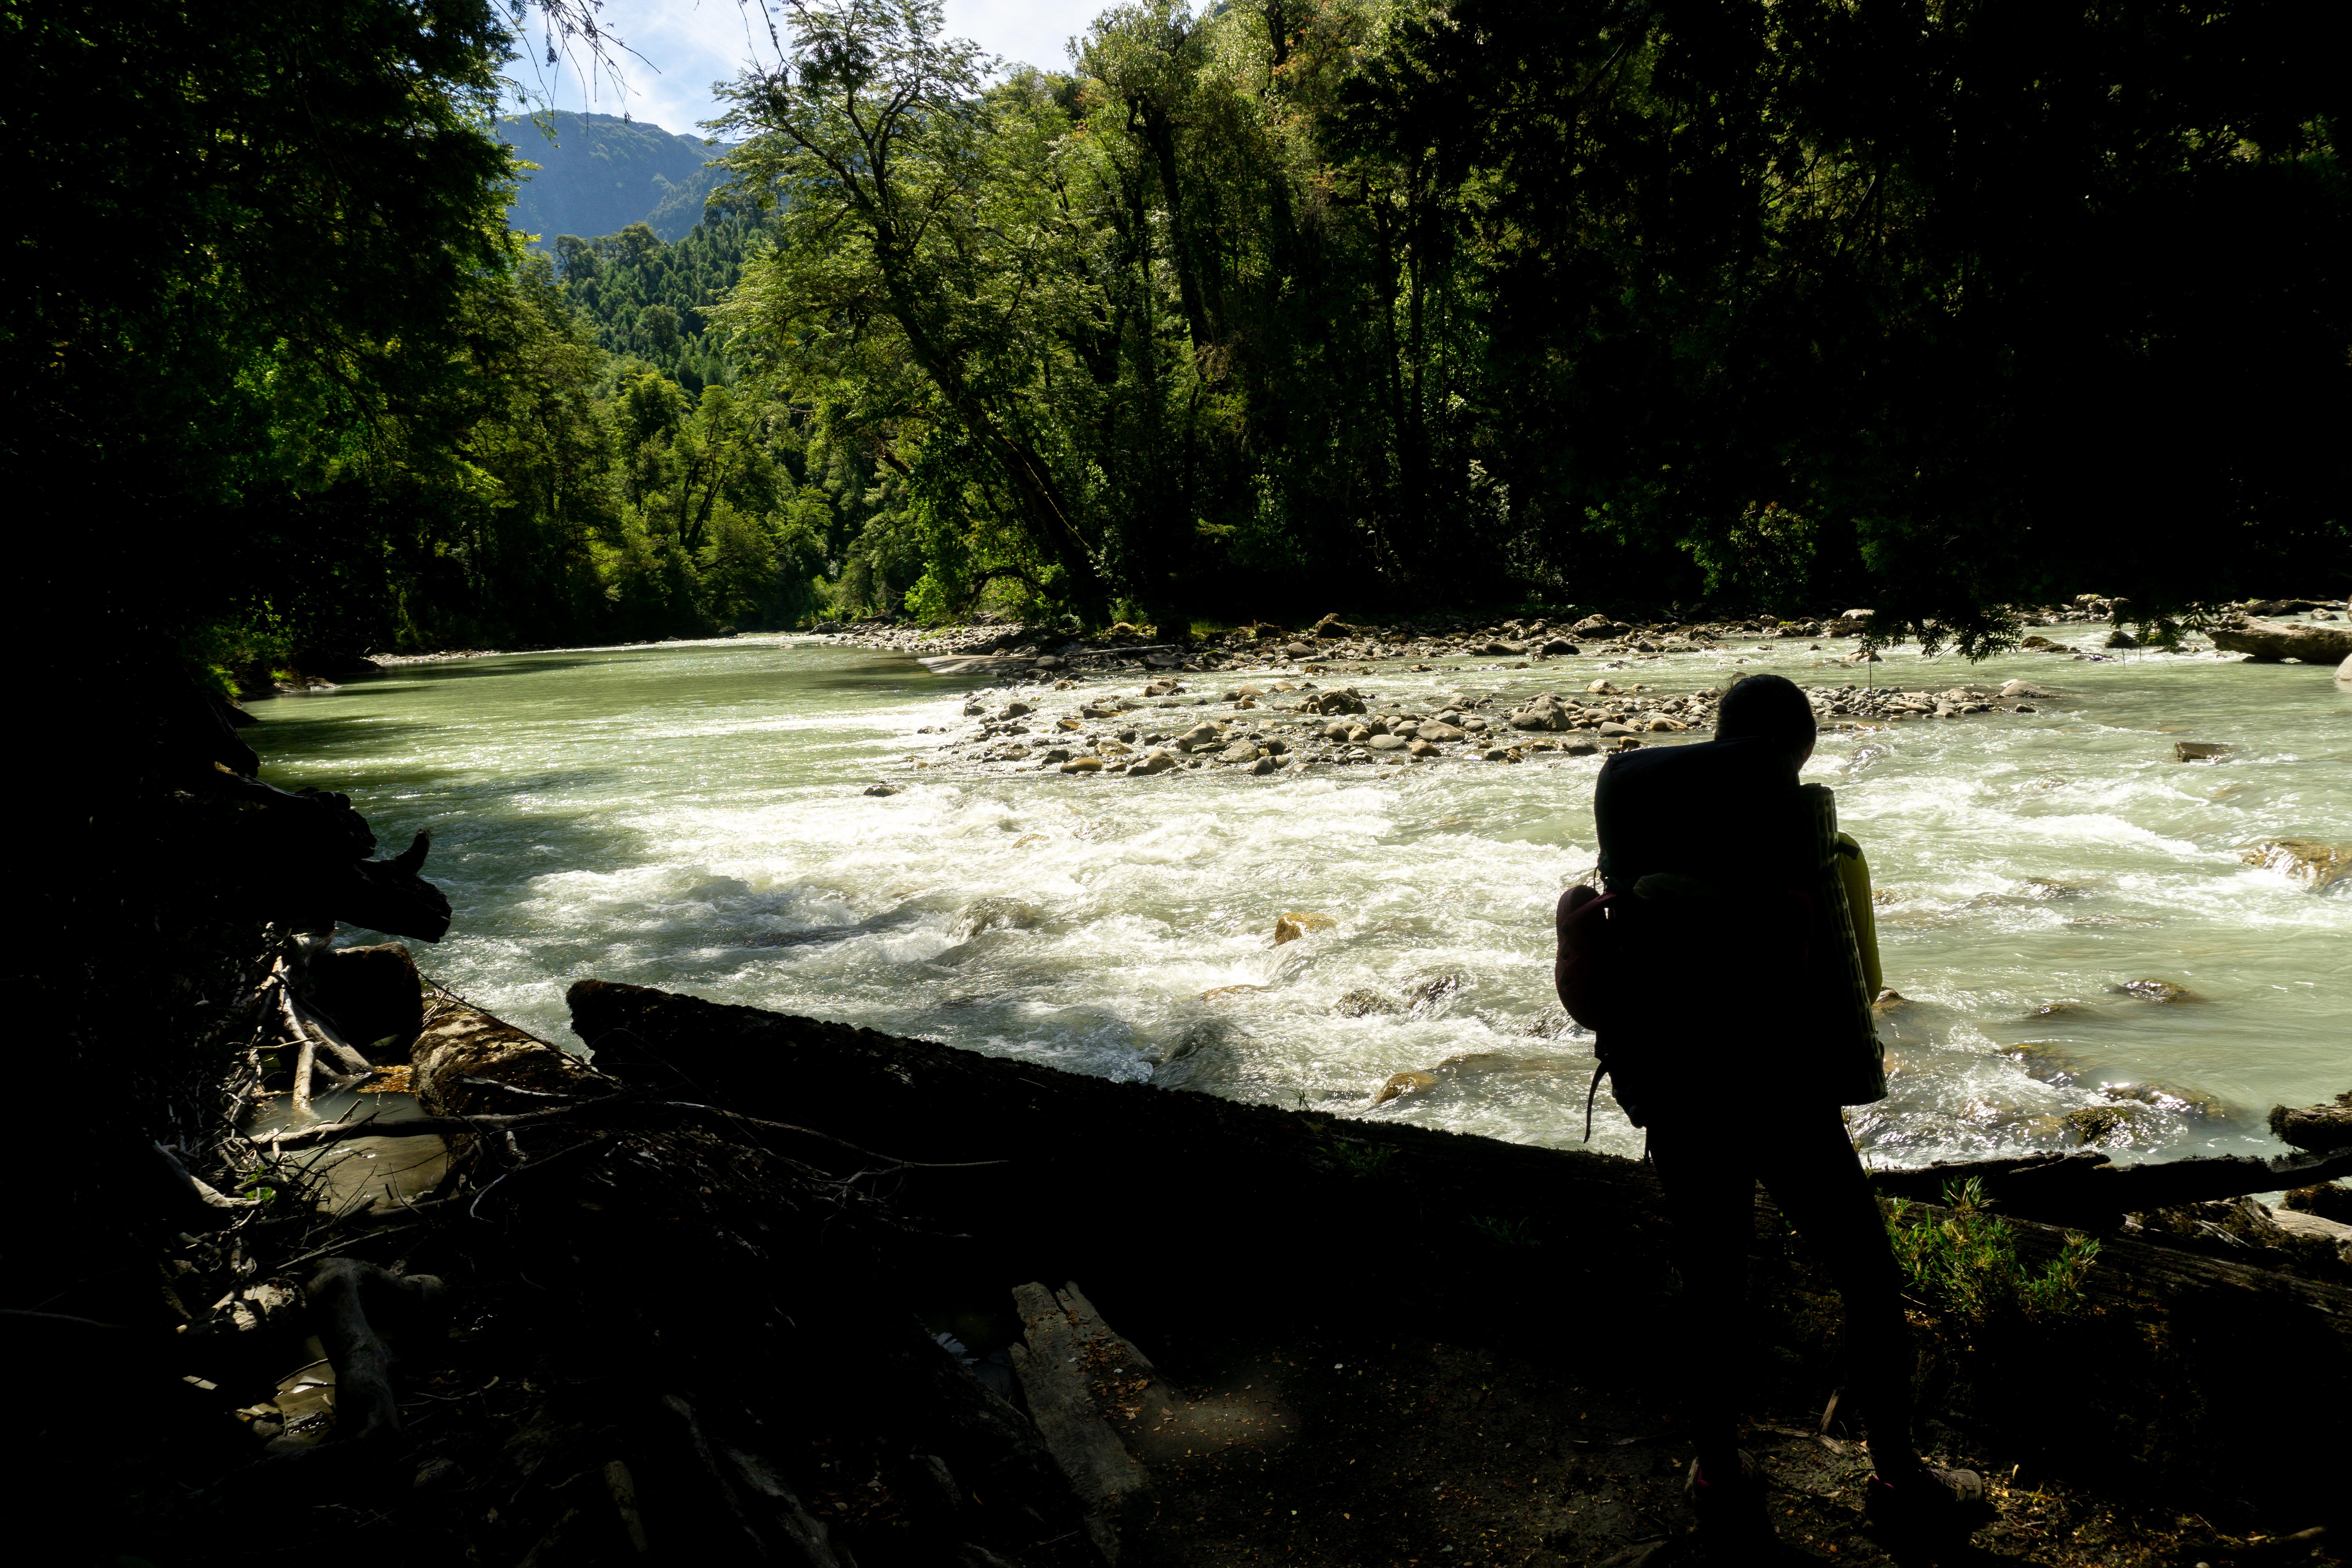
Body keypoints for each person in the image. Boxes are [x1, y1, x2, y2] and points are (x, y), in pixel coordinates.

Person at [1569, 673, 1986, 1545]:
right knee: (1869, 1278)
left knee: (1713, 1282)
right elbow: (1837, 984)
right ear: (1797, 747)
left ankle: (1718, 1473)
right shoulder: (1788, 827)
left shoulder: (1639, 810)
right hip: (1779, 1090)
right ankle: (1897, 1475)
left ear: (1720, 730)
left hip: (1672, 1087)